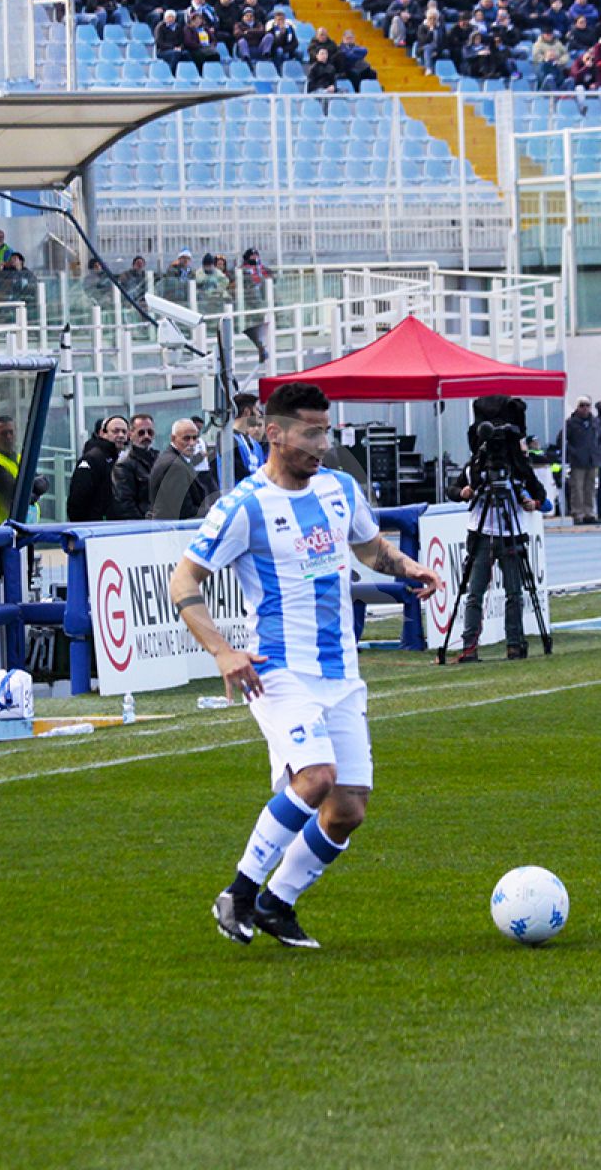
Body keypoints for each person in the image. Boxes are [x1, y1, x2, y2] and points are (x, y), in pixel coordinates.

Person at [173, 381, 441, 949]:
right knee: (316, 778)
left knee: (348, 810)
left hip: (341, 673)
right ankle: (238, 893)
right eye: (311, 434)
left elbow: (370, 548)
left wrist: (407, 566)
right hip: (278, 669)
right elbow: (184, 581)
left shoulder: (339, 489)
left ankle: (276, 904)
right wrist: (223, 650)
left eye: (326, 432)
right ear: (273, 433)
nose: (322, 445)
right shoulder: (244, 506)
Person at [456, 409, 548, 662]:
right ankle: (469, 647)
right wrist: (464, 492)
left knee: (514, 592)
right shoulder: (476, 467)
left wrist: (533, 503)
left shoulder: (517, 468)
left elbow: (541, 494)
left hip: (510, 534)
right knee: (475, 593)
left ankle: (514, 644)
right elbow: (452, 489)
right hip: (482, 534)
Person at [149, 417, 213, 519]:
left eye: (195, 438)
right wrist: (214, 513)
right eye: (186, 438)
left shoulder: (178, 460)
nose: (192, 443)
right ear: (173, 438)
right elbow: (184, 511)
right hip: (173, 526)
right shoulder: (174, 466)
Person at [68, 416, 129, 522]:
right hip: (96, 526)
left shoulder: (121, 460)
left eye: (124, 432)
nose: (121, 435)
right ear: (102, 433)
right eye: (115, 431)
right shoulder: (92, 459)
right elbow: (78, 499)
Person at [556, 397, 601, 525]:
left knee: (590, 488)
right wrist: (572, 452)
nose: (585, 408)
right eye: (582, 405)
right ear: (577, 407)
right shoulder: (571, 423)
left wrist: (598, 451)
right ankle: (578, 514)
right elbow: (561, 440)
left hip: (592, 460)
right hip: (577, 461)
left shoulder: (595, 421)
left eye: (587, 405)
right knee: (577, 488)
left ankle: (589, 513)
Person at [111, 414, 159, 518]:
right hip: (142, 522)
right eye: (141, 432)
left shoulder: (158, 458)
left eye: (150, 432)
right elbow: (125, 502)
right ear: (130, 434)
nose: (146, 436)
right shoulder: (123, 464)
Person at [230, 393, 267, 484]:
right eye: (256, 409)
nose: (259, 414)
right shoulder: (228, 440)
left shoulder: (253, 443)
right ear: (247, 412)